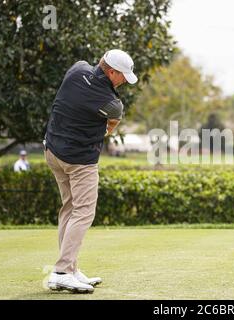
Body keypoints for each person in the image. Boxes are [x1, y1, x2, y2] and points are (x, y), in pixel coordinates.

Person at [44, 49, 137, 293]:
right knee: (84, 212)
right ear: (111, 71)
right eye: (123, 76)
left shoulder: (77, 68)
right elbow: (111, 125)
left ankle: (70, 269)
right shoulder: (112, 103)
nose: (125, 81)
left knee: (69, 208)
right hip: (80, 160)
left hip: (52, 151)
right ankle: (62, 271)